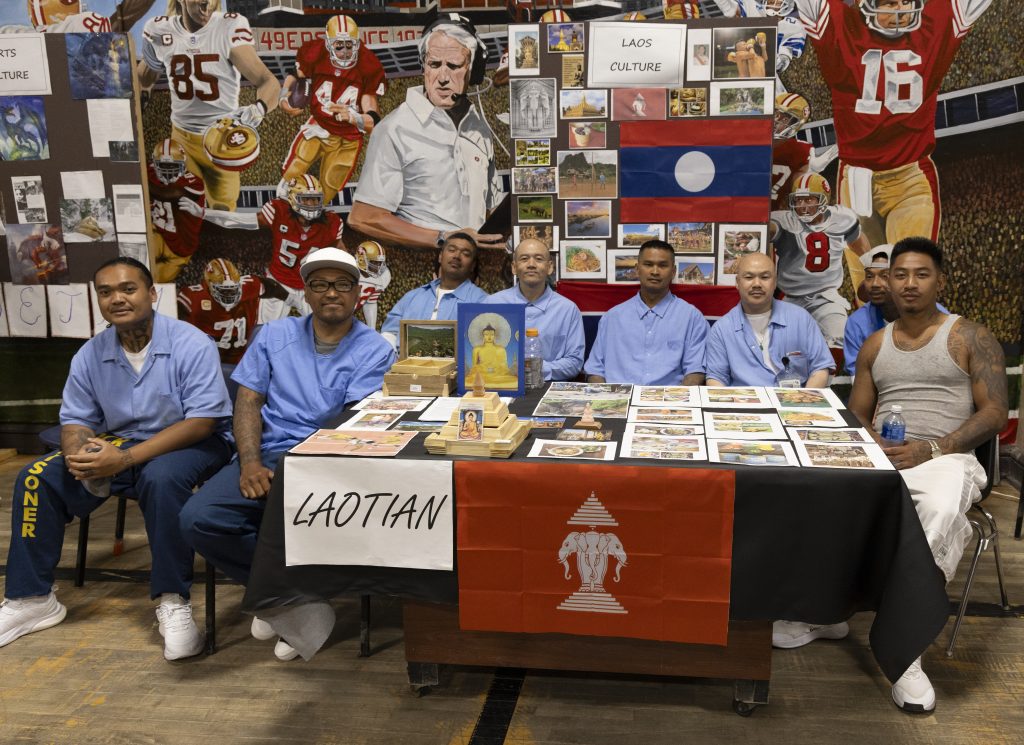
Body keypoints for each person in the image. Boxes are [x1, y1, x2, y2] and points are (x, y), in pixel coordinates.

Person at [0, 257, 232, 660]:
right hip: (119, 443)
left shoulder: (191, 342)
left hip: (191, 442)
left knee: (161, 479)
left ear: (151, 294)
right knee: (38, 475)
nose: (117, 299)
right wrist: (80, 455)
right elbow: (75, 420)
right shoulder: (90, 354)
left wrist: (123, 461)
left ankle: (172, 600)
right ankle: (32, 598)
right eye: (106, 292)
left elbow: (202, 422)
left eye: (128, 289)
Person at [179, 247, 395, 661]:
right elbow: (248, 400)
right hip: (266, 454)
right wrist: (250, 462)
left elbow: (350, 427)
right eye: (319, 284)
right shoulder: (274, 335)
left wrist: (297, 472)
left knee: (284, 517)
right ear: (306, 293)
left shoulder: (375, 350)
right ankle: (290, 599)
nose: (332, 292)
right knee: (197, 518)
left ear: (357, 293)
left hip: (329, 463)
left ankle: (277, 599)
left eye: (343, 284)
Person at [845, 237, 1008, 712]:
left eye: (921, 274)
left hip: (948, 457)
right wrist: (870, 443)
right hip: (885, 456)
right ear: (886, 282)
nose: (909, 283)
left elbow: (996, 412)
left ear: (939, 280)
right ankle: (828, 611)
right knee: (821, 493)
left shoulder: (969, 336)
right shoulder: (875, 345)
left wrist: (934, 448)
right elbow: (858, 413)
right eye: (900, 275)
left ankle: (907, 650)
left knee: (935, 507)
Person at [794, 0, 993, 247]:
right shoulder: (842, 25)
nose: (901, 10)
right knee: (870, 281)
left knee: (910, 271)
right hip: (857, 179)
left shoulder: (934, 24)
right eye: (889, 3)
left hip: (910, 175)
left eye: (906, 1)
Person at [349, 14, 504, 250]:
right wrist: (443, 238)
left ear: (473, 70)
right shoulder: (394, 128)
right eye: (434, 64)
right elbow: (363, 217)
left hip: (477, 274)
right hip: (424, 270)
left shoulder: (479, 128)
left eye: (453, 66)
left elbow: (490, 208)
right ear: (423, 66)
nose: (442, 77)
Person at [137, 0, 281, 211]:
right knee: (178, 210)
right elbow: (143, 81)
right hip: (182, 141)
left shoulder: (227, 27)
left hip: (223, 140)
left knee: (223, 213)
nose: (207, 4)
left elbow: (268, 81)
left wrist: (258, 109)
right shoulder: (159, 30)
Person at [177, 174, 344, 322]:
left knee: (328, 331)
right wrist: (204, 213)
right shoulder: (279, 211)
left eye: (315, 199)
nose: (311, 204)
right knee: (265, 330)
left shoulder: (332, 222)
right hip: (279, 282)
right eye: (306, 199)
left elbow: (343, 255)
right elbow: (238, 221)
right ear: (293, 198)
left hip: (311, 286)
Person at [278, 15, 386, 206]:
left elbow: (373, 121)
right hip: (319, 125)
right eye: (339, 46)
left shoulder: (369, 65)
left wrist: (354, 117)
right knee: (290, 179)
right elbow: (296, 75)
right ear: (328, 44)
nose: (344, 51)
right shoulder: (314, 53)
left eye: (349, 45)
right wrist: (284, 96)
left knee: (327, 190)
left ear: (357, 44)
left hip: (349, 138)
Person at [585, 240, 708, 386]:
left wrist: (675, 405)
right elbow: (594, 370)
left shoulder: (692, 318)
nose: (655, 272)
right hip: (618, 403)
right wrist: (608, 402)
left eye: (663, 265)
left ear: (673, 271)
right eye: (648, 264)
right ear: (637, 269)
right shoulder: (612, 318)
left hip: (669, 403)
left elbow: (695, 372)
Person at [770, 172, 871, 348]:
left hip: (825, 297)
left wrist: (870, 263)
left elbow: (859, 242)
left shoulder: (841, 218)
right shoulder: (785, 220)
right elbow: (771, 229)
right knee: (781, 345)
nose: (802, 206)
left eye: (809, 199)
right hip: (789, 298)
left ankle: (829, 375)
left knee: (839, 338)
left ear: (824, 199)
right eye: (798, 200)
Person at [706, 253, 834, 387]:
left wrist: (803, 404)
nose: (757, 284)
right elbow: (716, 379)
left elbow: (820, 369)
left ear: (775, 282)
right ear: (737, 282)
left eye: (765, 277)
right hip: (744, 404)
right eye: (749, 277)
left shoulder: (801, 319)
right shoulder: (721, 330)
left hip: (795, 402)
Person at [485, 238, 584, 381]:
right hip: (500, 386)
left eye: (538, 259)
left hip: (548, 390)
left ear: (550, 267)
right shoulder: (492, 304)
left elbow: (574, 363)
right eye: (524, 259)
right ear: (514, 267)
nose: (531, 264)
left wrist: (534, 369)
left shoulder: (567, 310)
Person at [844, 245, 950, 374]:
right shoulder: (857, 323)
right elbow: (857, 376)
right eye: (869, 276)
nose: (875, 284)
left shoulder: (939, 317)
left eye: (885, 276)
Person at [379, 232, 488, 351]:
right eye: (451, 250)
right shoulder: (412, 297)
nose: (457, 256)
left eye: (465, 254)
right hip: (404, 367)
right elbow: (389, 334)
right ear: (440, 256)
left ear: (473, 265)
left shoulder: (483, 302)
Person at [177, 258, 289, 366]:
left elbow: (272, 286)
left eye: (233, 289)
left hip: (241, 360)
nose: (230, 295)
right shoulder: (194, 297)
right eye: (223, 290)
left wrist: (292, 299)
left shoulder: (248, 286)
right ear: (209, 285)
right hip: (206, 363)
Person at [148, 138, 206, 283]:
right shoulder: (149, 171)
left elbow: (166, 194)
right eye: (162, 165)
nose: (167, 171)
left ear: (183, 164)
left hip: (179, 248)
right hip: (158, 233)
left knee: (154, 282)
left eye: (173, 166)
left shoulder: (195, 183)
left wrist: (141, 178)